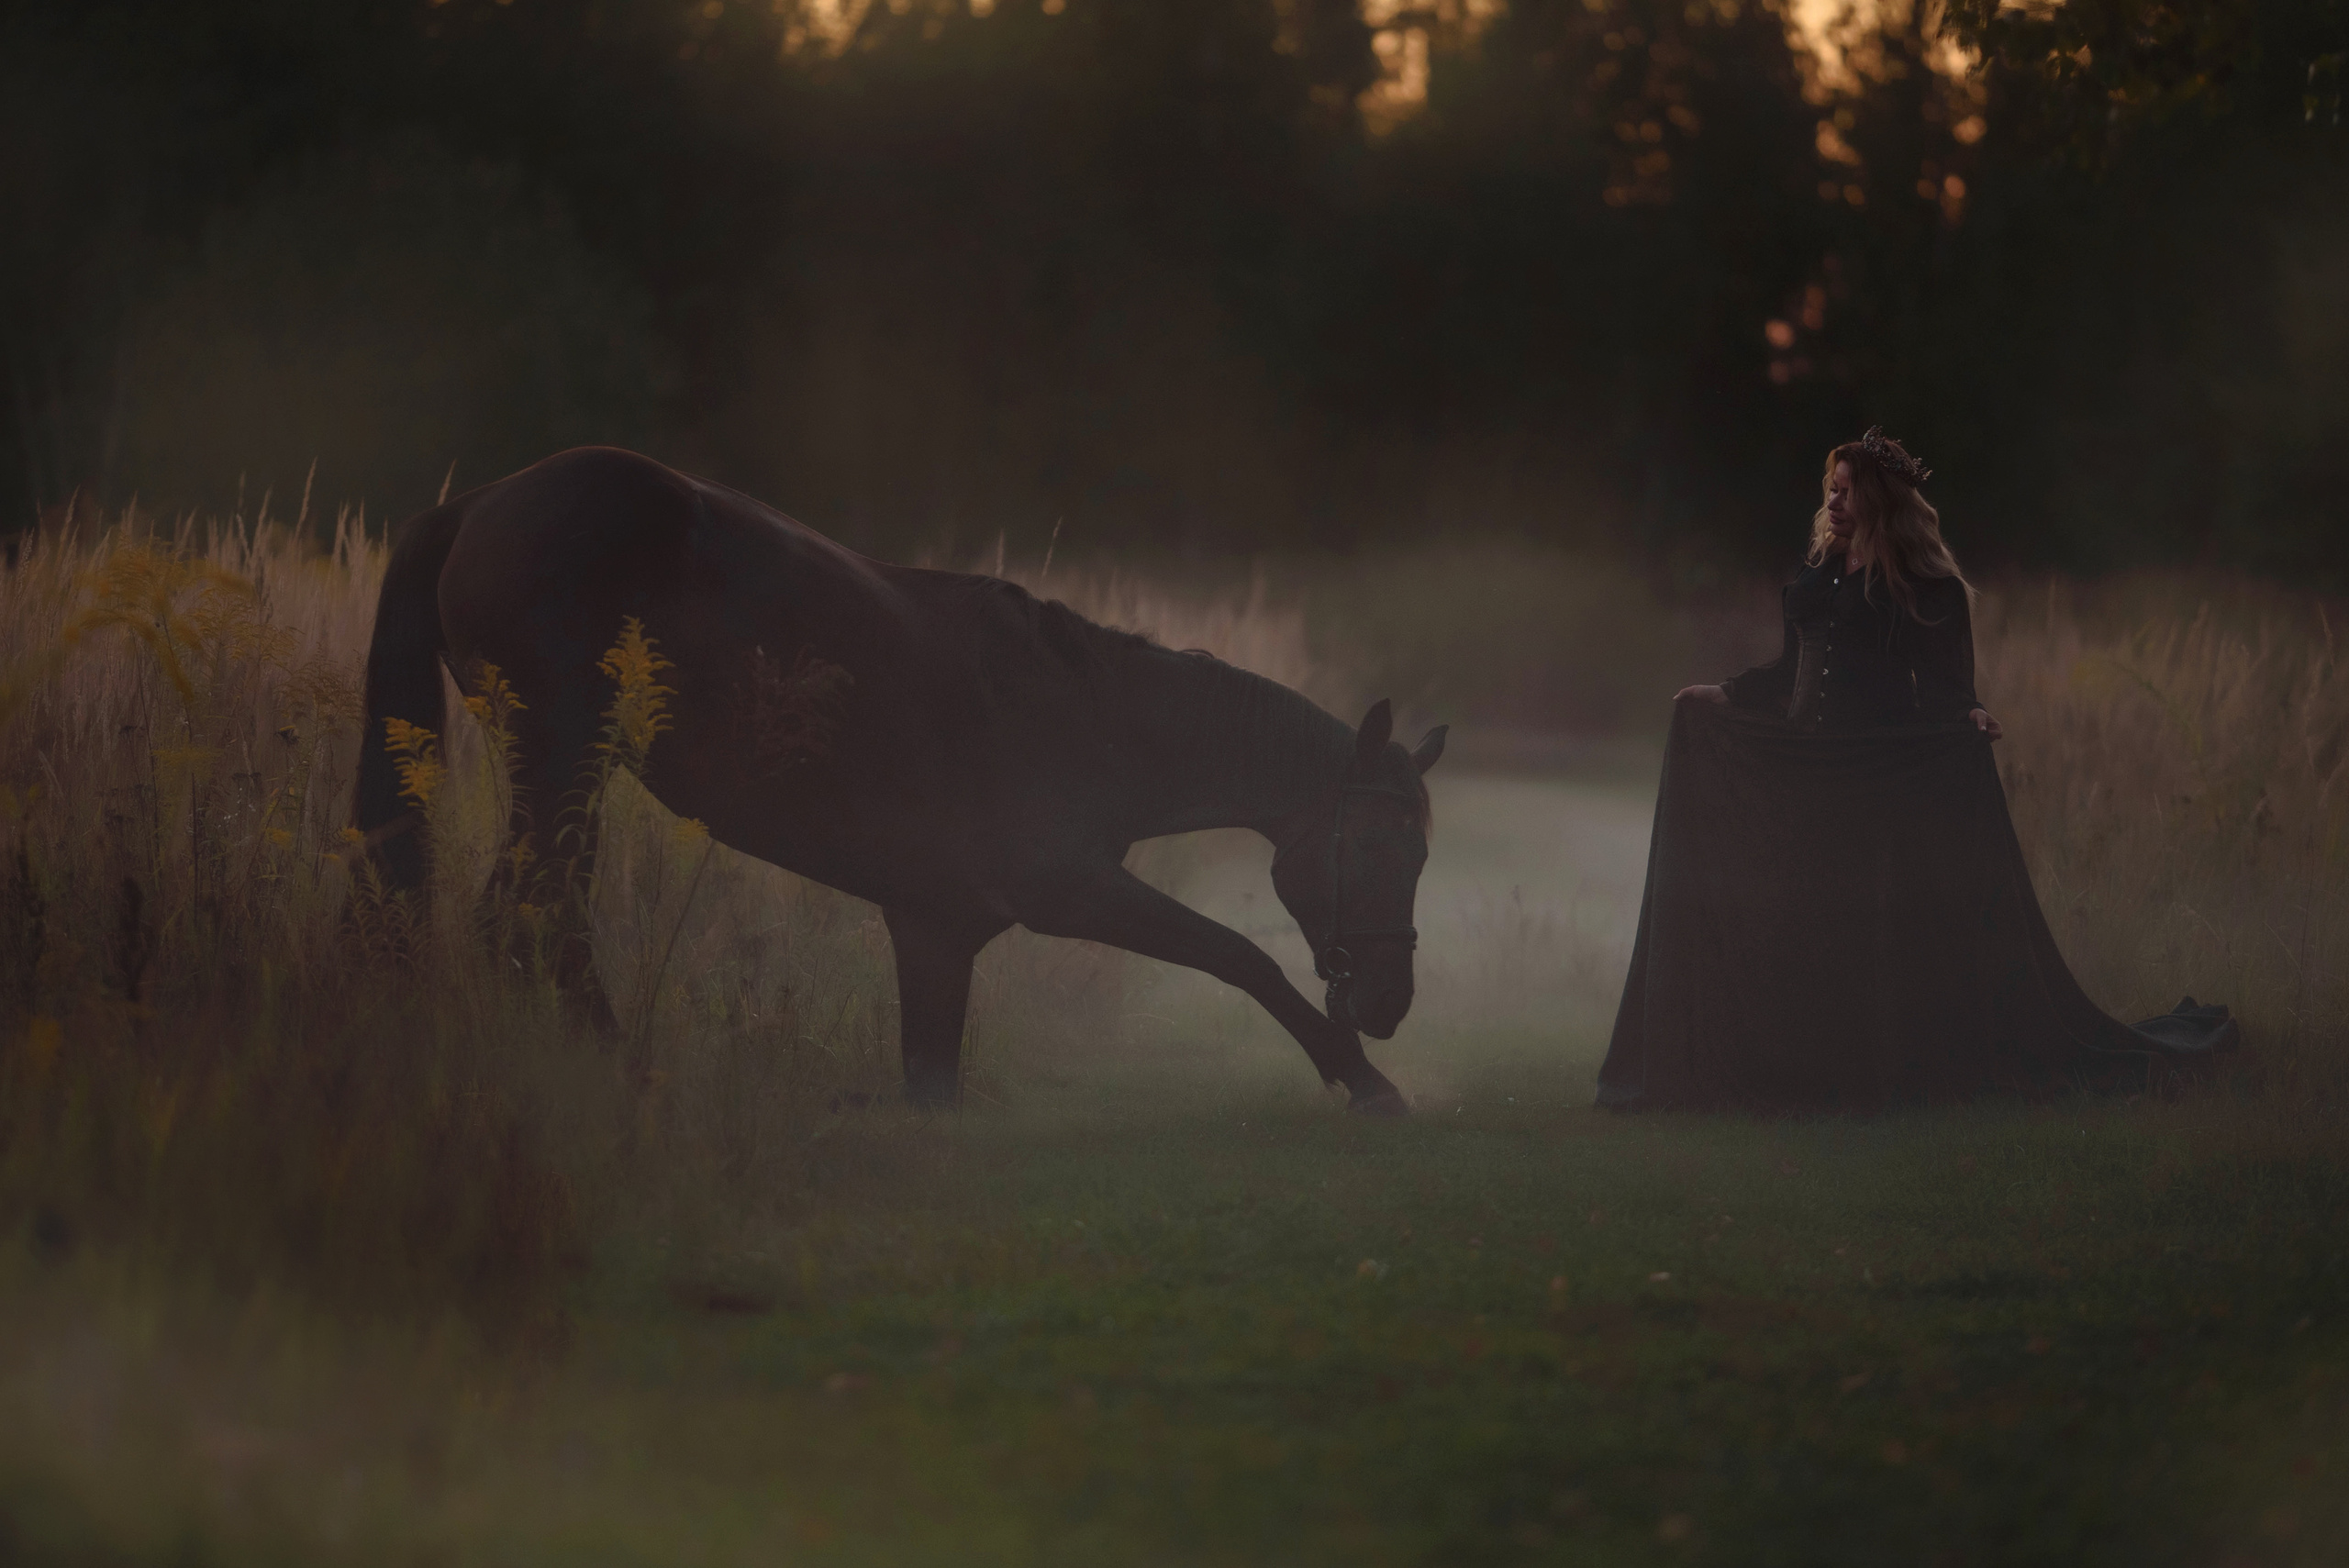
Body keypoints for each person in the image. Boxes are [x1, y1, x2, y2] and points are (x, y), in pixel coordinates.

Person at [1596, 428, 2236, 1110]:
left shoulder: (1924, 584)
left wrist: (1970, 716)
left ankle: (1862, 1072)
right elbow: (1792, 673)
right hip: (1802, 764)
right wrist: (1724, 694)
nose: (1834, 501)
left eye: (1847, 490)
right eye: (1831, 489)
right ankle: (1794, 1068)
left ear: (1877, 500)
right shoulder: (1824, 571)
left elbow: (1944, 685)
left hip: (1873, 774)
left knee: (1855, 926)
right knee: (1796, 917)